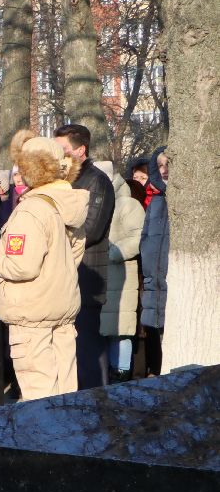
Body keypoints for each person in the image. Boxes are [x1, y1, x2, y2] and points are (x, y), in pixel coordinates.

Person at [0, 132, 88, 400]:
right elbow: (73, 254)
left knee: (40, 398)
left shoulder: (30, 211)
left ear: (30, 169)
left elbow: (21, 267)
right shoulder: (66, 204)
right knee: (65, 394)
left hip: (32, 315)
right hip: (61, 309)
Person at [53, 125, 115, 390]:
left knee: (88, 351)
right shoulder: (61, 181)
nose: (57, 156)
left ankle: (97, 405)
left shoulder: (97, 181)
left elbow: (92, 229)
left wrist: (50, 237)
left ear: (80, 150)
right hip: (61, 278)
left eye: (62, 149)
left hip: (87, 278)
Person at [98, 161, 145, 379]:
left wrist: (113, 254)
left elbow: (138, 237)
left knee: (121, 329)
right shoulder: (95, 203)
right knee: (101, 329)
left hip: (119, 275)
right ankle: (107, 373)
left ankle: (122, 372)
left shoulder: (127, 204)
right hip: (98, 276)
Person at [135, 148, 169, 378]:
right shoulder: (156, 200)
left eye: (168, 164)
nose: (164, 170)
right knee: (153, 328)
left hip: (173, 276)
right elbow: (145, 237)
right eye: (160, 165)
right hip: (153, 277)